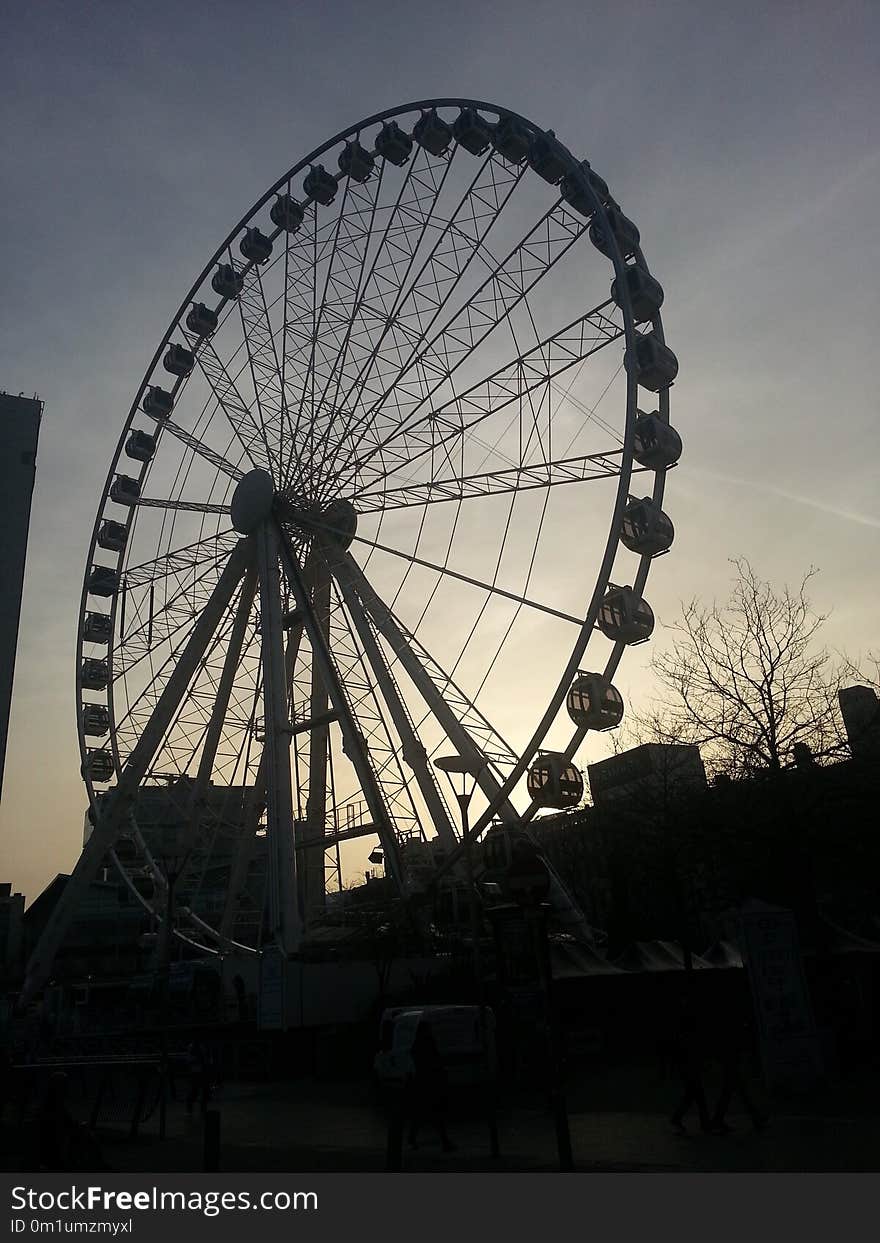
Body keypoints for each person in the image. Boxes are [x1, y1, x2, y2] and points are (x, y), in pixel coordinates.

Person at [711, 1002, 768, 1133]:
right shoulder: (728, 1026)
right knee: (738, 1091)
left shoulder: (725, 1025)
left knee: (732, 1091)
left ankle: (719, 1119)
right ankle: (755, 1118)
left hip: (729, 1060)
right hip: (730, 1060)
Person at [406, 1020, 454, 1152]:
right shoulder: (427, 1043)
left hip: (422, 1083)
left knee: (421, 1114)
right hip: (429, 1083)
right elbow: (435, 1061)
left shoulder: (417, 1045)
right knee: (435, 1113)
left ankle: (413, 1138)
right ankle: (444, 1142)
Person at [669, 995, 712, 1135]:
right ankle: (703, 1123)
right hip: (690, 1066)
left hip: (687, 1066)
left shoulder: (681, 1032)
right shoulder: (688, 1033)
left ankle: (684, 1119)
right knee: (697, 1095)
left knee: (694, 1095)